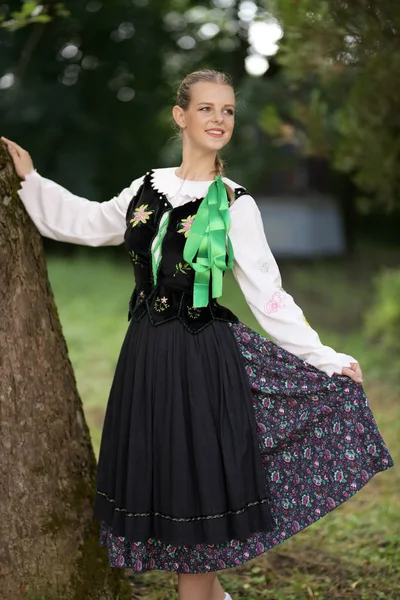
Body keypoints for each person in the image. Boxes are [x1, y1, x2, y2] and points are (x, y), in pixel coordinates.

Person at [2, 69, 393, 600]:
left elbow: (268, 294)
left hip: (203, 356)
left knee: (199, 479)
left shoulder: (235, 202)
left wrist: (321, 355)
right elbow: (88, 222)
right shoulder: (145, 186)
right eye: (207, 108)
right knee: (166, 475)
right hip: (145, 354)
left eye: (228, 111)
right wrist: (32, 183)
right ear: (180, 116)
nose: (219, 119)